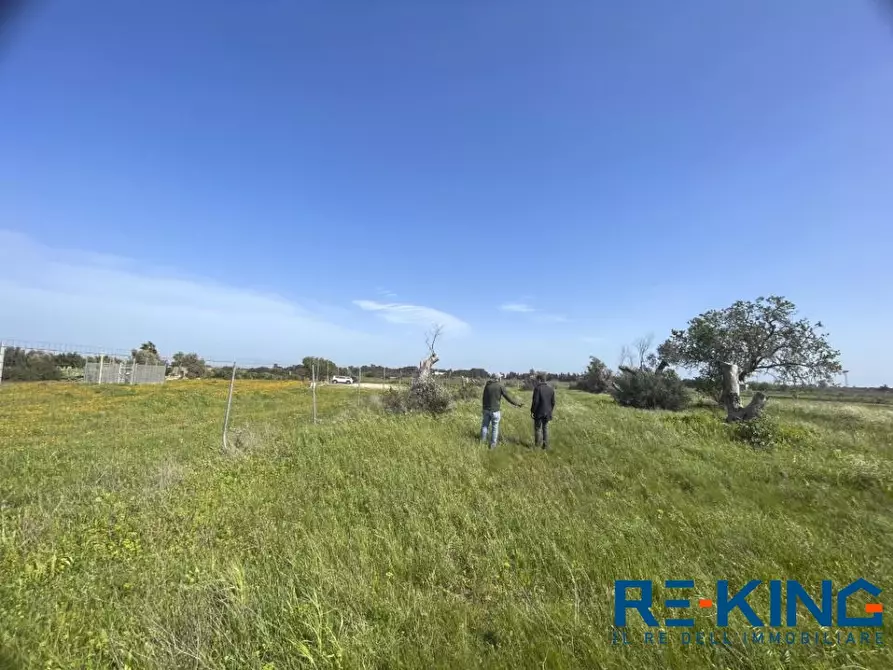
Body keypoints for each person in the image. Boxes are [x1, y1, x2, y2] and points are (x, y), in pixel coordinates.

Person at [481, 373, 523, 448]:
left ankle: (482, 442)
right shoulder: (500, 386)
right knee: (495, 428)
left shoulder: (487, 386)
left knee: (485, 426)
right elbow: (507, 397)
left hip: (486, 410)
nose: (501, 378)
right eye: (500, 377)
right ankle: (493, 445)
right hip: (495, 411)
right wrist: (516, 404)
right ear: (498, 378)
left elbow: (483, 398)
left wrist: (484, 408)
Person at [530, 373, 556, 449]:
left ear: (539, 380)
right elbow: (553, 402)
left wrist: (532, 411)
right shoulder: (551, 389)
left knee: (538, 429)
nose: (536, 382)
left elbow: (535, 402)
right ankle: (546, 446)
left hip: (538, 412)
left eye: (536, 380)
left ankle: (537, 446)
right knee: (545, 428)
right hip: (548, 412)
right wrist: (550, 410)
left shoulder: (537, 389)